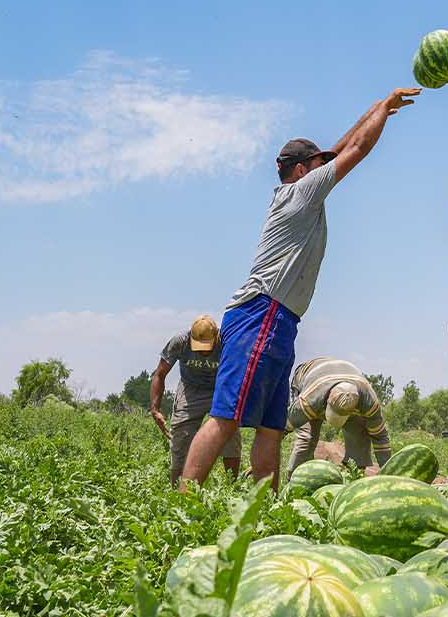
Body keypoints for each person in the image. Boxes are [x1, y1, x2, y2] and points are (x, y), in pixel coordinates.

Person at [179, 86, 420, 489]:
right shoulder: (300, 192)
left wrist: (374, 108)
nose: (325, 166)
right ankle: (184, 502)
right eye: (317, 163)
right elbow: (355, 150)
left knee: (272, 426)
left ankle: (265, 508)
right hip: (261, 313)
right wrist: (385, 105)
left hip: (280, 320)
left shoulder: (303, 188)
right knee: (226, 417)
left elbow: (341, 146)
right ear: (303, 170)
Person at [148, 314, 240, 485]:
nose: (204, 351)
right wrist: (155, 409)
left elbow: (241, 372)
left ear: (216, 337)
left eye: (207, 346)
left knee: (230, 433)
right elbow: (159, 374)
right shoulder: (180, 342)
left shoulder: (227, 342)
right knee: (180, 436)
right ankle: (177, 492)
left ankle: (231, 489)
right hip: (190, 389)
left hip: (220, 388)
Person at [283, 356, 392, 477]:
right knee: (307, 437)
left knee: (359, 433)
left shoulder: (368, 401)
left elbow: (380, 438)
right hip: (308, 376)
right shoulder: (309, 400)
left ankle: (354, 477)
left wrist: (389, 474)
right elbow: (283, 426)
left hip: (347, 379)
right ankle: (293, 479)